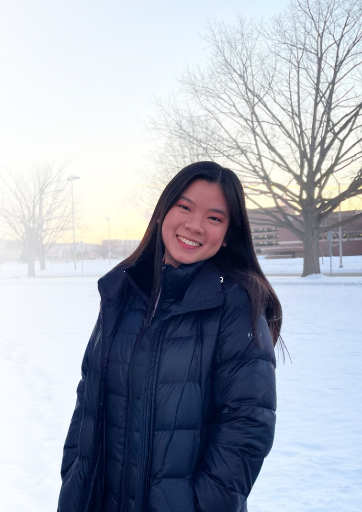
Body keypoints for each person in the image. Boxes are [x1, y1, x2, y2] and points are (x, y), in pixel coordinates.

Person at [58, 162, 282, 512]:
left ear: (227, 234)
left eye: (214, 218)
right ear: (163, 211)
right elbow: (88, 393)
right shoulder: (123, 292)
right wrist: (74, 476)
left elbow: (247, 424)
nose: (195, 225)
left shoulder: (236, 302)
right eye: (185, 207)